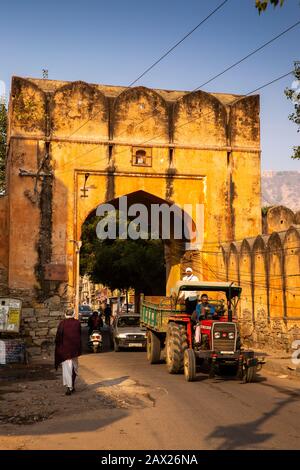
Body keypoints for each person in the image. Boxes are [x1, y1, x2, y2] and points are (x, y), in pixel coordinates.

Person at [55, 309, 82, 396]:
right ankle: (71, 386)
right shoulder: (77, 323)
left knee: (67, 368)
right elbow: (79, 335)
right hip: (74, 350)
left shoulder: (62, 323)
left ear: (65, 314)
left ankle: (69, 387)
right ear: (73, 314)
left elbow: (58, 337)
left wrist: (58, 349)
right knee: (74, 367)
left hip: (65, 351)